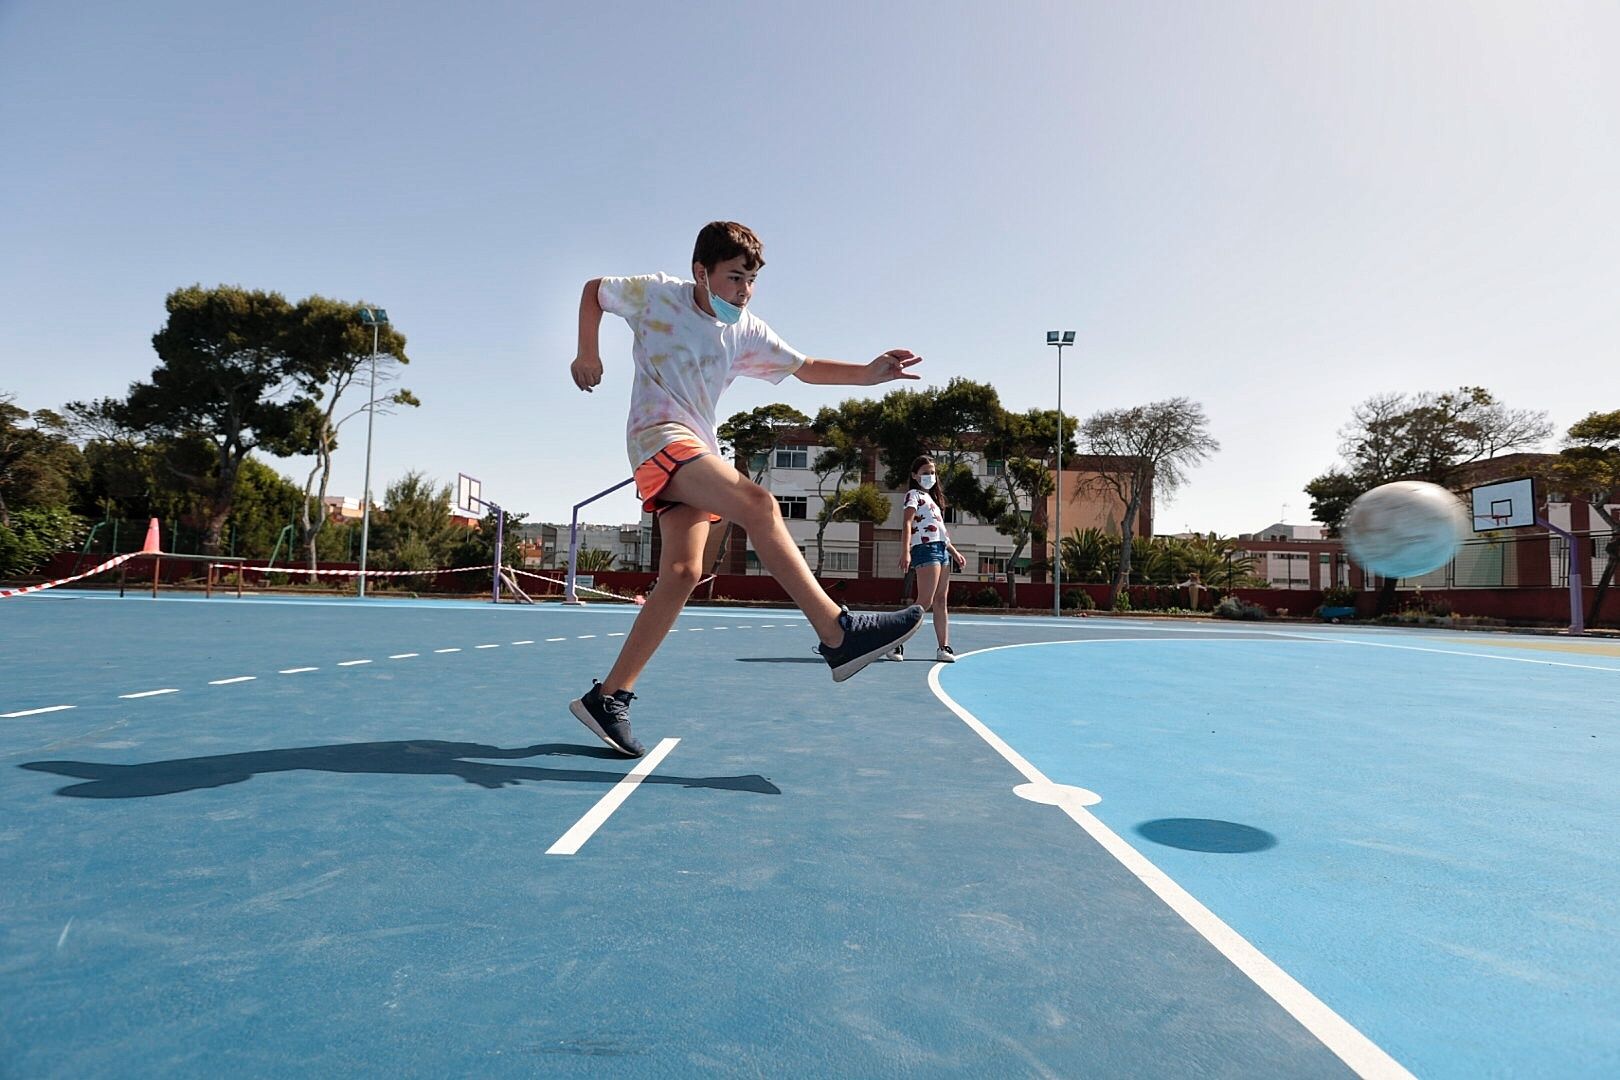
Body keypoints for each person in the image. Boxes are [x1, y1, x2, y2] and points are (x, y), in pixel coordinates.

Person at [565, 221, 926, 756]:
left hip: (696, 449)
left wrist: (869, 373)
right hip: (657, 437)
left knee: (685, 573)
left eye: (752, 280)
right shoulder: (658, 294)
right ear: (700, 272)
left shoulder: (745, 330)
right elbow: (594, 291)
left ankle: (609, 697)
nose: (744, 290)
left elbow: (804, 368)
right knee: (759, 503)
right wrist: (587, 354)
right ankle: (838, 633)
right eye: (734, 277)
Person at [888, 455, 966, 663]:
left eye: (932, 472)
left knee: (941, 601)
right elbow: (907, 523)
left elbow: (940, 532)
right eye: (925, 473)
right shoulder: (913, 495)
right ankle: (895, 642)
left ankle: (943, 647)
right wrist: (905, 551)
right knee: (925, 601)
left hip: (941, 550)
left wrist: (954, 552)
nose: (930, 476)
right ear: (914, 476)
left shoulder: (933, 500)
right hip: (925, 549)